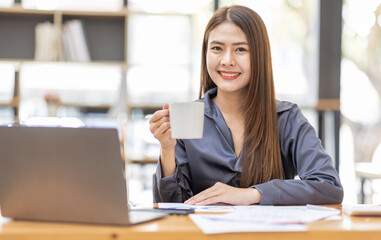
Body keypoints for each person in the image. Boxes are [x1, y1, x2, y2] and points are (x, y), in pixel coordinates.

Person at [149, 5, 343, 205]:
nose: (227, 60)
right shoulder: (188, 119)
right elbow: (170, 207)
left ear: (259, 56)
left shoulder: (286, 118)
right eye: (217, 48)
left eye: (240, 49)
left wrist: (251, 194)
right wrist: (167, 149)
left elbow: (328, 186)